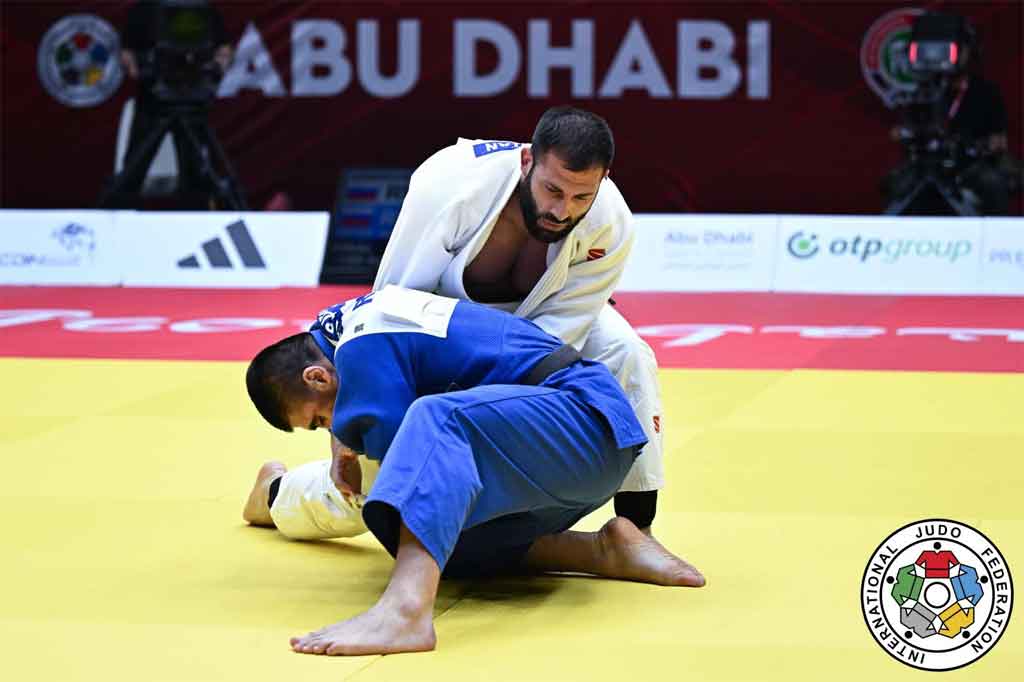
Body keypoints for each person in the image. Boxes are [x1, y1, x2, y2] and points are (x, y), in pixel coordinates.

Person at [245, 286, 704, 656]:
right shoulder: (359, 329)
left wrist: (346, 441)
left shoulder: (362, 336)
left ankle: (405, 610)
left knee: (432, 423)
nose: (329, 428)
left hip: (584, 421)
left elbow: (400, 449)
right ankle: (600, 550)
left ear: (317, 377)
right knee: (436, 541)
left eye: (319, 419)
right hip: (568, 457)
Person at [370, 107, 667, 533]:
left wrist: (510, 418)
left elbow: (562, 332)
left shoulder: (611, 220)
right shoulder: (450, 184)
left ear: (603, 180)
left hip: (538, 328)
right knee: (364, 488)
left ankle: (637, 528)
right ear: (527, 160)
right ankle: (280, 492)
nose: (562, 211)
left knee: (626, 350)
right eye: (552, 190)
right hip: (446, 328)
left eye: (581, 197)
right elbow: (394, 307)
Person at [105, 0, 234, 208]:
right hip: (151, 102)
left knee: (195, 174)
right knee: (133, 170)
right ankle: (119, 216)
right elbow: (127, 51)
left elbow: (224, 47)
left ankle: (195, 218)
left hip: (193, 104)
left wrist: (216, 70)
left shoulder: (201, 8)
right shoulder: (143, 9)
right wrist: (140, 71)